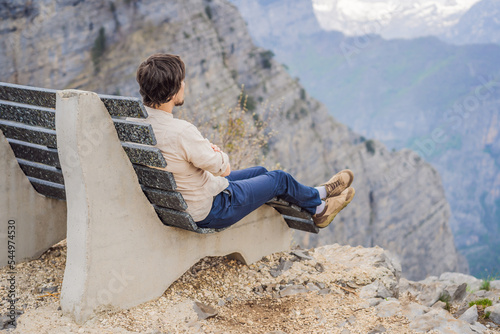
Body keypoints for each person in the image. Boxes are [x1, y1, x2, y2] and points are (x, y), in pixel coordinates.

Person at [135, 53, 355, 229]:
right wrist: (218, 153)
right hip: (211, 208)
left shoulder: (136, 125)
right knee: (279, 179)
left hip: (179, 201)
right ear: (173, 89)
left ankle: (320, 193)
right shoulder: (181, 132)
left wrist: (208, 155)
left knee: (260, 171)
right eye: (181, 81)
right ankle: (319, 208)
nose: (184, 84)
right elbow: (225, 169)